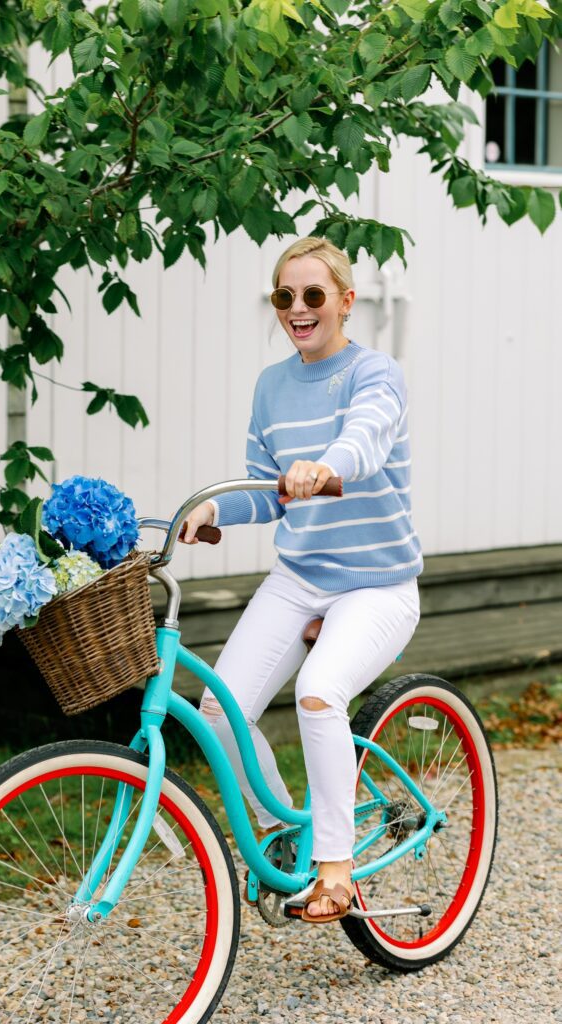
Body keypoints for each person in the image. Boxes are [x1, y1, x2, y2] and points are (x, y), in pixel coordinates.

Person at [182, 236, 423, 923]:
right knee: (216, 715)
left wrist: (326, 465)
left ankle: (336, 868)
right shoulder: (270, 386)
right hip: (299, 576)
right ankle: (292, 824)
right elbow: (265, 492)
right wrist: (208, 509)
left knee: (318, 694)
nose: (297, 308)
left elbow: (366, 441)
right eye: (283, 296)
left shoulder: (376, 373)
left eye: (312, 295)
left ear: (345, 303)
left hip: (376, 584)